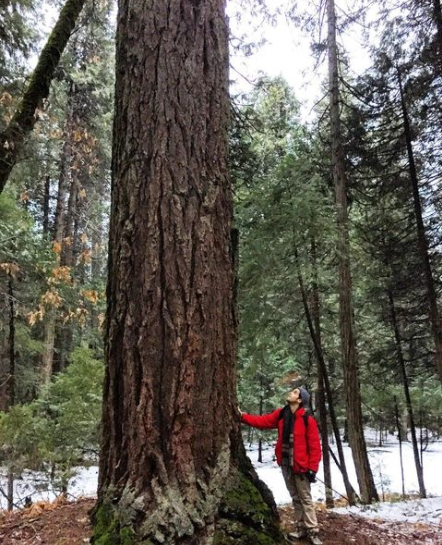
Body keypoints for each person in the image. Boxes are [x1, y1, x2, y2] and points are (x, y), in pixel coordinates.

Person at [240, 386, 323, 545]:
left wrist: (313, 469)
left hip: (302, 467)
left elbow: (315, 447)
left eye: (294, 392)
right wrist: (242, 417)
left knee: (305, 498)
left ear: (299, 400)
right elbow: (263, 421)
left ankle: (313, 532)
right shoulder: (281, 414)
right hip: (286, 465)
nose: (290, 393)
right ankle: (301, 529)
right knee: (295, 498)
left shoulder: (307, 420)